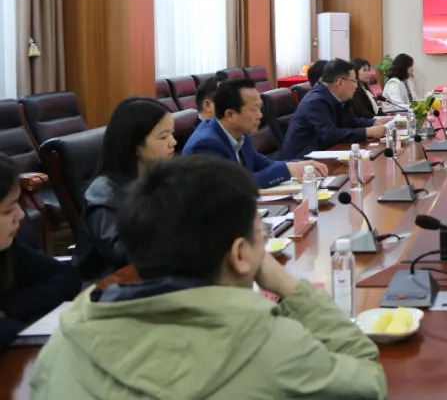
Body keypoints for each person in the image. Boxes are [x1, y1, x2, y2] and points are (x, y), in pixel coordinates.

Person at [31, 156, 387, 399]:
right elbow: (368, 382)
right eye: (259, 232)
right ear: (239, 254)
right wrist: (292, 288)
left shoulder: (64, 344)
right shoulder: (274, 346)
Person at [74, 98, 176, 280]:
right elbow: (123, 253)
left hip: (155, 275)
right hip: (108, 284)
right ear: (135, 145)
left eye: (172, 134)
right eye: (163, 137)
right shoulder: (103, 194)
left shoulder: (159, 177)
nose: (173, 142)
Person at [182, 78, 327, 189]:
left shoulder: (239, 134)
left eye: (260, 108)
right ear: (230, 114)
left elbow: (264, 164)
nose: (260, 115)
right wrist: (287, 169)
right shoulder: (206, 144)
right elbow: (234, 185)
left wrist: (299, 165)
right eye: (255, 109)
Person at [0, 154, 82, 349]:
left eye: (18, 204)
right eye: (8, 211)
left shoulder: (8, 249)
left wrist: (9, 307)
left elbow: (67, 277)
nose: (21, 215)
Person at [280, 59, 388, 161]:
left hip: (326, 152)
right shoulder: (316, 101)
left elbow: (350, 122)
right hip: (301, 159)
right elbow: (330, 135)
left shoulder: (339, 97)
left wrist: (374, 122)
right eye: (354, 81)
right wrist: (367, 132)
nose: (356, 86)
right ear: (340, 82)